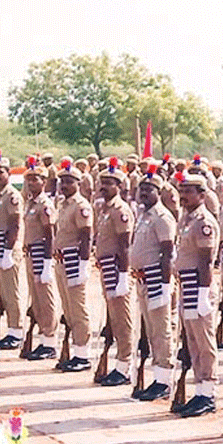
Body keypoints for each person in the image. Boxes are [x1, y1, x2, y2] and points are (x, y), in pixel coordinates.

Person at [172, 171, 220, 417]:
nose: (183, 196)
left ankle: (208, 392)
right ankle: (199, 390)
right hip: (186, 284)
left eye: (188, 192)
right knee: (192, 341)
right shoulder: (187, 218)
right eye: (181, 192)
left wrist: (203, 294)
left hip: (199, 285)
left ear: (202, 195)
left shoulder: (203, 222)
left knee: (203, 341)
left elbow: (205, 261)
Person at [130, 169, 177, 401]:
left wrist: (166, 285)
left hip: (157, 279)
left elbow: (168, 253)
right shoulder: (143, 215)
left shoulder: (162, 217)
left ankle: (163, 380)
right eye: (142, 189)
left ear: (159, 192)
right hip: (142, 279)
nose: (144, 193)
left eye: (150, 189)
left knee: (161, 331)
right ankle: (156, 376)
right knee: (150, 331)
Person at [94, 162, 136, 386]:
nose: (104, 187)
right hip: (106, 267)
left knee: (122, 319)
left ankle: (124, 365)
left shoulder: (120, 211)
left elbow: (125, 246)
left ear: (119, 186)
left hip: (116, 267)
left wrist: (122, 275)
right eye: (103, 183)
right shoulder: (105, 209)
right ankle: (119, 363)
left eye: (109, 184)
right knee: (113, 318)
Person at [53, 161, 94, 372]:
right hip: (60, 260)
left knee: (78, 309)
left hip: (73, 260)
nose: (65, 185)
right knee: (68, 308)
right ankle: (75, 351)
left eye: (69, 182)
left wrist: (83, 265)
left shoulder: (81, 206)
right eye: (62, 182)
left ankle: (83, 354)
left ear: (78, 183)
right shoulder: (63, 204)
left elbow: (86, 237)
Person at [20, 162, 61, 360]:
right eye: (28, 179)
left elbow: (50, 235)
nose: (31, 183)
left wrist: (46, 263)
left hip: (40, 253)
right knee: (36, 299)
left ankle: (50, 341)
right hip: (29, 253)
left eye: (35, 179)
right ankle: (44, 339)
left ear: (44, 182)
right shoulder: (31, 202)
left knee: (45, 299)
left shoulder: (45, 205)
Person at [0, 151, 26, 348]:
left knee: (11, 291)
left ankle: (16, 331)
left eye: (0, 172)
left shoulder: (12, 195)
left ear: (8, 173)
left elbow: (15, 224)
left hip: (8, 246)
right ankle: (10, 329)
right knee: (3, 292)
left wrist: (9, 251)